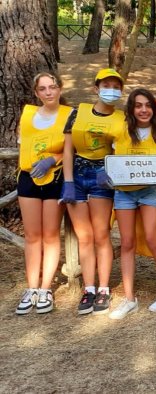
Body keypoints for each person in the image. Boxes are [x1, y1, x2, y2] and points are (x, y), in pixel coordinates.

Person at [108, 89, 156, 319]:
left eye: (148, 105)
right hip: (124, 193)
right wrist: (105, 172)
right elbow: (112, 158)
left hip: (150, 191)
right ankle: (129, 298)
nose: (143, 110)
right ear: (131, 108)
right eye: (138, 105)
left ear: (154, 108)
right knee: (127, 242)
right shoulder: (120, 130)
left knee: (151, 237)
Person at [62, 68, 125, 315]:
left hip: (103, 177)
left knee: (101, 234)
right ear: (95, 88)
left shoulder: (122, 118)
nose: (111, 90)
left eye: (116, 86)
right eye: (106, 85)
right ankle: (88, 287)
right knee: (83, 236)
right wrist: (67, 181)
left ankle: (103, 288)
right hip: (76, 176)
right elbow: (68, 149)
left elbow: (124, 148)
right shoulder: (78, 112)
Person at [15, 72, 75, 314]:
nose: (48, 92)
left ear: (60, 88)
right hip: (29, 177)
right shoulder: (28, 114)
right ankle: (31, 287)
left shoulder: (69, 115)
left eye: (52, 87)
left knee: (50, 235)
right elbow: (24, 144)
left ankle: (45, 288)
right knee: (32, 235)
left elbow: (74, 149)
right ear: (36, 92)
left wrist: (53, 158)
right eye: (43, 89)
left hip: (55, 177)